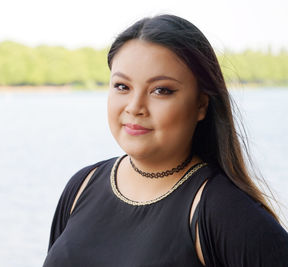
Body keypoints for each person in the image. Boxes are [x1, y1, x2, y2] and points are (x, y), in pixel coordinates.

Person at [42, 14, 288, 267]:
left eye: (161, 90)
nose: (135, 107)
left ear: (201, 104)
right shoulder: (82, 186)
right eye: (122, 86)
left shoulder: (225, 212)